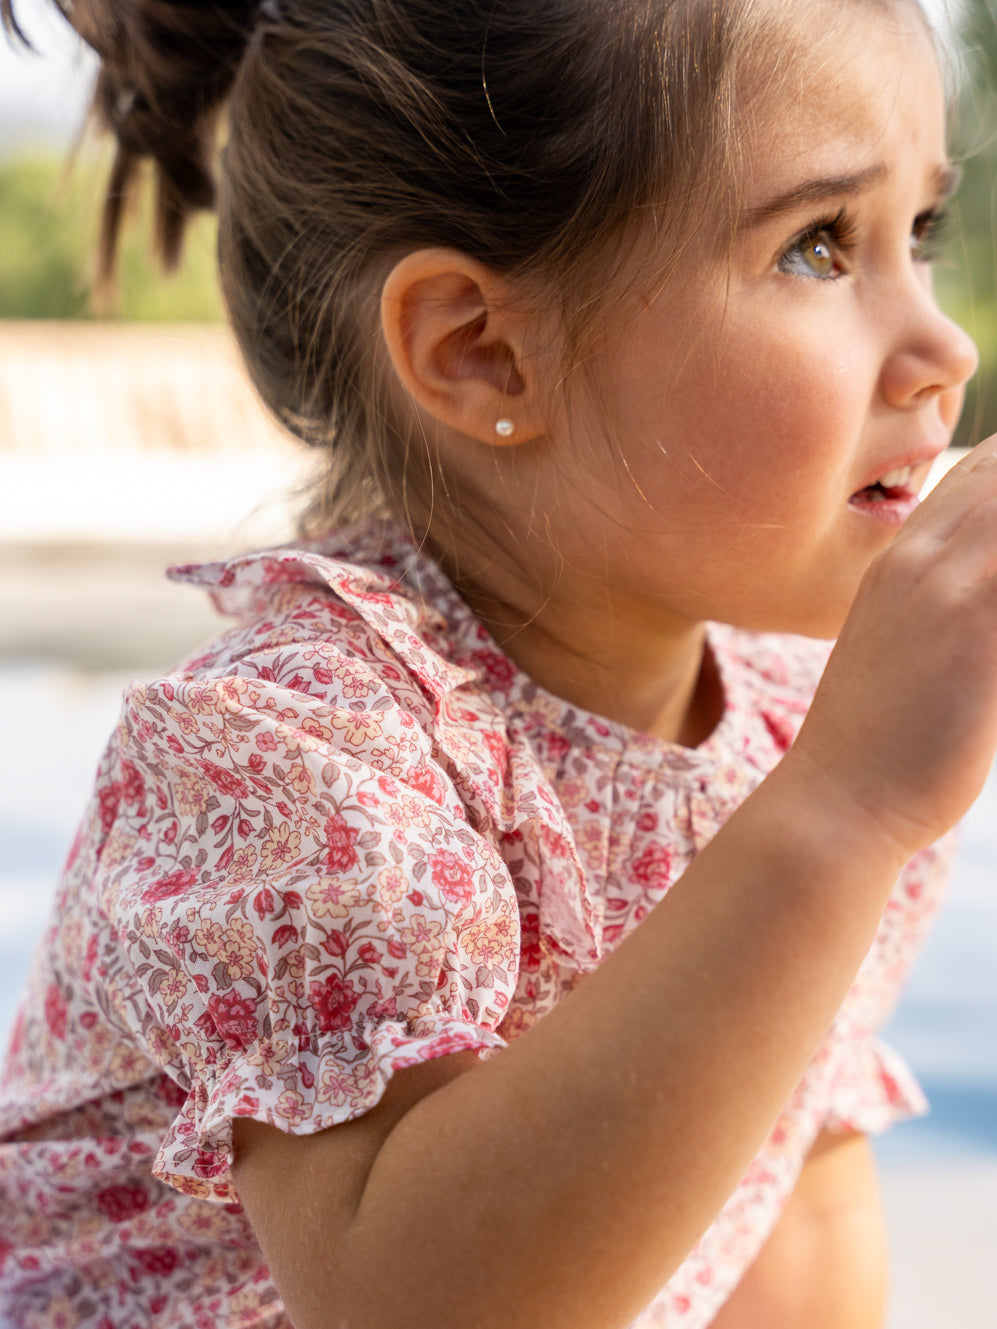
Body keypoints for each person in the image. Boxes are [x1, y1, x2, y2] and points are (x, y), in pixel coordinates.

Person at [0, 0, 993, 1325]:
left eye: (914, 235)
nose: (946, 350)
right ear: (480, 351)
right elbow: (412, 1301)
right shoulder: (289, 758)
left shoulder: (793, 716)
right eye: (817, 247)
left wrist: (844, 798)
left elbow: (788, 1199)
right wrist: (840, 811)